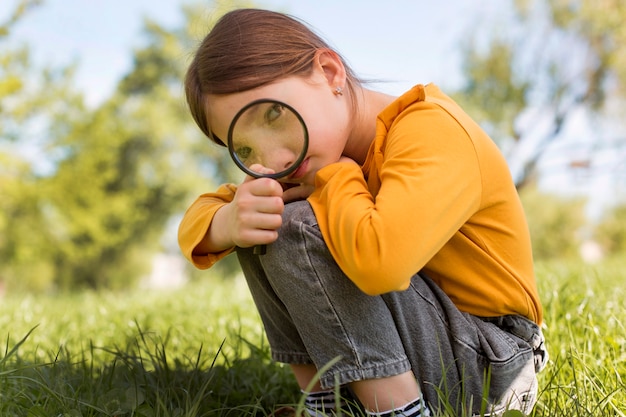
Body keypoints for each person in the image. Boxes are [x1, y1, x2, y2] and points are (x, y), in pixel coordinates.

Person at [178, 8, 548, 417]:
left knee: (292, 223)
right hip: (433, 347)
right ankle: (329, 406)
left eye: (274, 115)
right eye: (245, 149)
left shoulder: (430, 130)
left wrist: (337, 177)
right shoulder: (307, 161)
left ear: (330, 72)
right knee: (257, 216)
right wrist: (229, 222)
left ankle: (398, 412)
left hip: (491, 361)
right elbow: (202, 213)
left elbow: (381, 265)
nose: (274, 157)